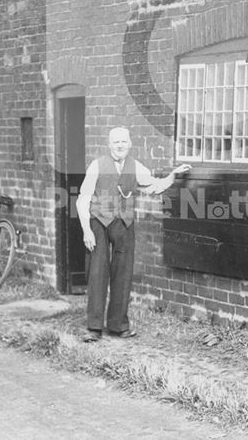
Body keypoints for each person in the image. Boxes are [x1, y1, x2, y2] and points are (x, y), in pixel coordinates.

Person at [76, 126, 190, 342]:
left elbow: (153, 186)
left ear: (130, 144)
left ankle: (118, 326)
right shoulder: (96, 165)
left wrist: (172, 176)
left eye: (123, 142)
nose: (120, 145)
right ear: (109, 145)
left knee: (123, 273)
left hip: (124, 223)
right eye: (116, 142)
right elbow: (83, 198)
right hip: (98, 222)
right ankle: (94, 327)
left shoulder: (135, 166)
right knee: (97, 273)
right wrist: (86, 230)